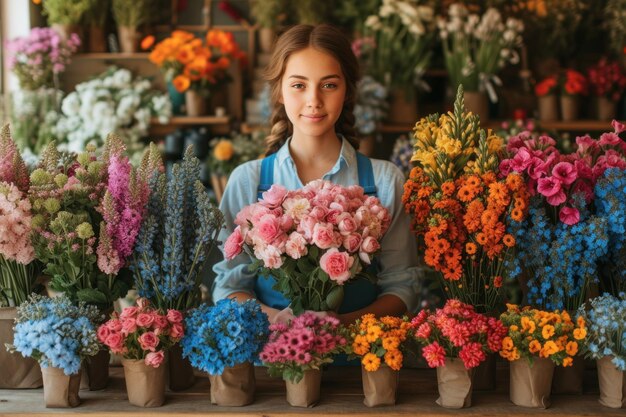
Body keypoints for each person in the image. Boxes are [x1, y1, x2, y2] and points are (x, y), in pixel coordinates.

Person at [212, 24, 421, 324]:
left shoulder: (385, 181)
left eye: (329, 85)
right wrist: (279, 323)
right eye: (298, 85)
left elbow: (403, 286)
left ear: (347, 90)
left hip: (361, 364)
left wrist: (341, 329)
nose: (314, 100)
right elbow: (228, 286)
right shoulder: (248, 181)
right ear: (279, 91)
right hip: (271, 362)